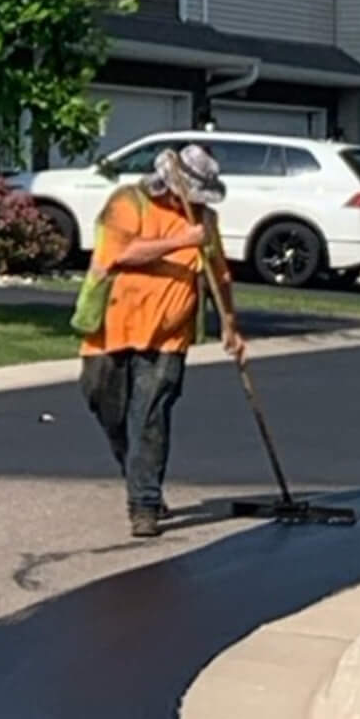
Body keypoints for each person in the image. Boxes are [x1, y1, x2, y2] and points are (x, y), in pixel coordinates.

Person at [78, 143, 244, 538]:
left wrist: (230, 326)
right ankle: (138, 474)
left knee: (149, 416)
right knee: (104, 404)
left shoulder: (205, 221)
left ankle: (144, 504)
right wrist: (182, 240)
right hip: (110, 327)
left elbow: (219, 275)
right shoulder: (127, 203)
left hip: (169, 335)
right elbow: (120, 254)